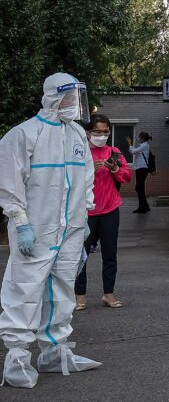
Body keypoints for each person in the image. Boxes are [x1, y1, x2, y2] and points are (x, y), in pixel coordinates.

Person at [0, 73, 101, 388]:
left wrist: (83, 216)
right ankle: (16, 358)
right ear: (54, 97)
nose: (74, 104)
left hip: (69, 229)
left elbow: (85, 179)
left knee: (62, 289)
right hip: (36, 228)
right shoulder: (23, 135)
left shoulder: (76, 135)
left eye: (77, 98)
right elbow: (9, 185)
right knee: (25, 289)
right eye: (70, 97)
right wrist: (20, 223)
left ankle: (55, 352)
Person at [75, 115, 132, 310]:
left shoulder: (114, 152)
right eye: (97, 132)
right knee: (80, 255)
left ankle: (108, 294)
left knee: (110, 254)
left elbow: (127, 176)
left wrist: (115, 167)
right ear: (88, 132)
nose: (101, 135)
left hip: (110, 210)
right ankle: (79, 296)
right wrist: (89, 169)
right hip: (86, 212)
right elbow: (70, 177)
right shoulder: (80, 152)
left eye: (105, 132)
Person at [127, 132, 152, 213]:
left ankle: (142, 208)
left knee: (139, 188)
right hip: (141, 169)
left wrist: (130, 144)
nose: (138, 138)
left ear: (143, 138)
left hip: (142, 169)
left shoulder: (144, 145)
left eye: (139, 137)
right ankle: (145, 206)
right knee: (140, 188)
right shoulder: (144, 145)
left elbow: (133, 151)